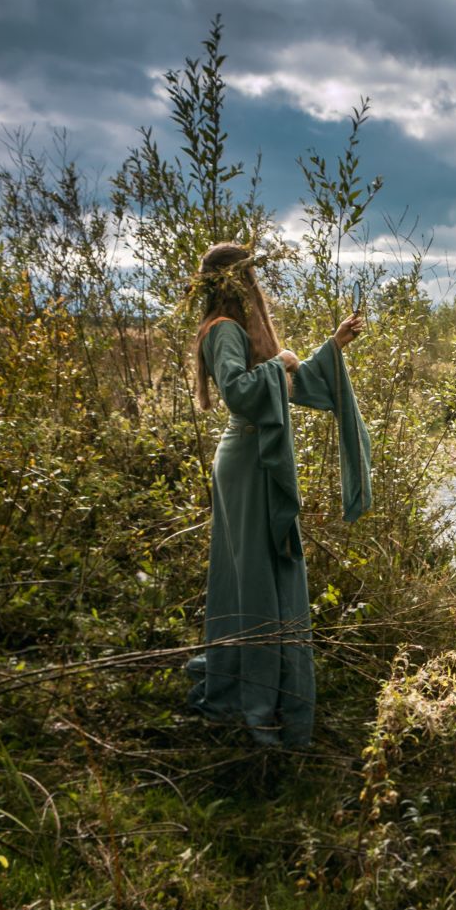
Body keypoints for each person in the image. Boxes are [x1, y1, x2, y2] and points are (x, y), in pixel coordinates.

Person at [185, 241, 372, 748]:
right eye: (250, 277)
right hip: (246, 461)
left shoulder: (240, 331)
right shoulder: (222, 330)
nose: (257, 287)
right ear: (234, 282)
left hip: (253, 460)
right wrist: (281, 362)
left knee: (269, 568)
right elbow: (239, 391)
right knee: (254, 573)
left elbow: (292, 383)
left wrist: (331, 347)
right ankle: (256, 694)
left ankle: (274, 686)